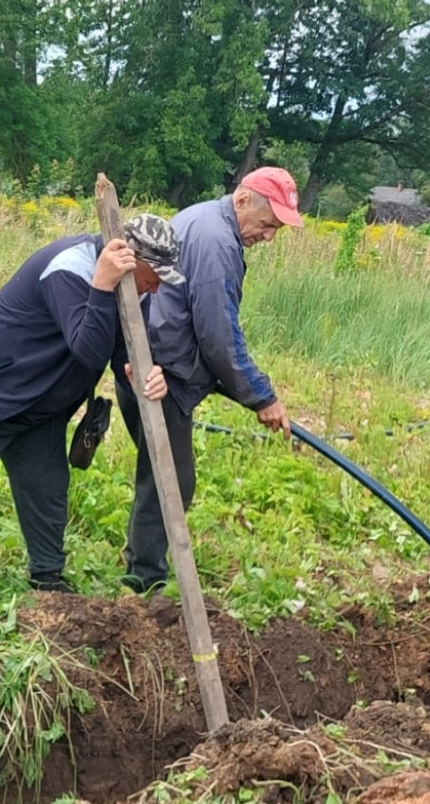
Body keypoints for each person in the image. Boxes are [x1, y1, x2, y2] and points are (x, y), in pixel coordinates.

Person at [0, 214, 184, 608]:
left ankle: (47, 580)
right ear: (129, 259)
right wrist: (102, 287)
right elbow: (88, 348)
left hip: (42, 401)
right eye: (155, 274)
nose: (158, 286)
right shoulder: (71, 270)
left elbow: (124, 356)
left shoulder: (134, 291)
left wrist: (145, 378)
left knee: (46, 487)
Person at [118, 166, 301, 593]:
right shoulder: (218, 243)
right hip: (159, 376)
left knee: (160, 475)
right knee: (169, 482)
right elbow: (218, 335)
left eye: (276, 229)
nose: (269, 236)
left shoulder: (204, 220)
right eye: (266, 224)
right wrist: (261, 396)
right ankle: (144, 580)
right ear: (242, 200)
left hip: (152, 362)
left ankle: (144, 569)